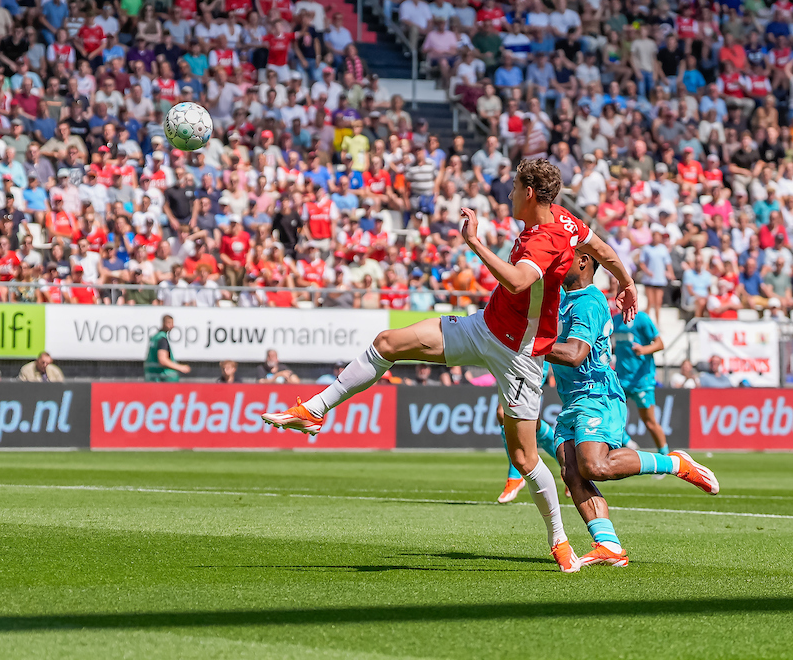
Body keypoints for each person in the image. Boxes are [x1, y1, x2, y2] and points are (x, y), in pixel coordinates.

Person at [263, 159, 638, 572]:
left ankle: (559, 540)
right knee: (388, 342)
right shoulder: (567, 223)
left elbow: (517, 281)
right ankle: (315, 411)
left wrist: (474, 243)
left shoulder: (546, 239)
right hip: (484, 326)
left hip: (520, 356)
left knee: (526, 458)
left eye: (514, 187)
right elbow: (602, 249)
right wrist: (628, 283)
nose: (509, 193)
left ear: (529, 193)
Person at [546, 251, 720, 567]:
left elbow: (574, 354)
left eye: (564, 258)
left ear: (583, 262)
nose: (557, 263)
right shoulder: (562, 298)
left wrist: (527, 344)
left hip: (597, 394)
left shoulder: (588, 301)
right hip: (572, 399)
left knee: (595, 466)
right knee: (572, 472)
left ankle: (674, 463)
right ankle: (609, 546)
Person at [612, 310, 668, 454]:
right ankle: (628, 442)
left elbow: (660, 344)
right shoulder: (616, 320)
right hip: (621, 379)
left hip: (641, 379)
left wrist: (644, 349)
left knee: (649, 422)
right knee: (611, 414)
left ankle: (666, 457)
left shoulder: (642, 318)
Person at [145, 314, 190, 382]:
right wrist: (181, 367)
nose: (171, 326)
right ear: (163, 323)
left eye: (172, 323)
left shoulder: (155, 337)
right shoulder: (162, 339)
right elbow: (162, 360)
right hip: (163, 379)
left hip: (151, 377)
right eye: (169, 323)